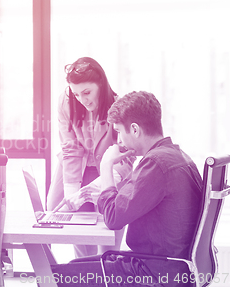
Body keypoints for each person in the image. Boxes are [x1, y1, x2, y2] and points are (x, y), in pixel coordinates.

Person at [51, 91, 203, 287]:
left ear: (135, 129)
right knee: (73, 266)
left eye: (119, 132)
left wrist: (106, 165)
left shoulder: (156, 164)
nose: (119, 141)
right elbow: (128, 200)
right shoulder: (175, 155)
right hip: (170, 267)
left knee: (52, 276)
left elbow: (114, 218)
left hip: (155, 272)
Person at [47, 57, 132, 257]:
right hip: (76, 164)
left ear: (101, 85)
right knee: (68, 221)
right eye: (76, 94)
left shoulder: (120, 106)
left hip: (109, 167)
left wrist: (104, 182)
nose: (82, 100)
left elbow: (127, 155)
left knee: (109, 232)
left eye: (87, 92)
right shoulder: (65, 102)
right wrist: (72, 191)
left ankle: (107, 271)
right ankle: (85, 275)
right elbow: (70, 147)